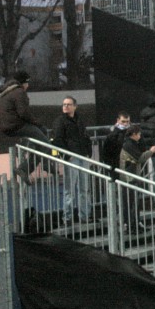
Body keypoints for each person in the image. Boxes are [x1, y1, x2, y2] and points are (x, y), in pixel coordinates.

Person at [0, 70, 49, 185]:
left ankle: (29, 167)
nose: (28, 86)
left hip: (7, 125)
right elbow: (24, 113)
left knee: (41, 134)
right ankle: (43, 164)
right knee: (45, 142)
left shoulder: (7, 92)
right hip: (15, 125)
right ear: (23, 82)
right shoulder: (19, 92)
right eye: (27, 83)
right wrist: (36, 123)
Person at [52, 96, 94, 225]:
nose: (65, 106)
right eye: (64, 104)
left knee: (84, 189)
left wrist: (88, 152)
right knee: (69, 190)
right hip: (72, 158)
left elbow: (85, 136)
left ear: (75, 106)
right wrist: (66, 156)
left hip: (82, 156)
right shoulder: (60, 121)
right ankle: (68, 218)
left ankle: (85, 216)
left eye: (69, 104)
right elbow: (58, 139)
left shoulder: (79, 120)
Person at [119, 125, 155, 229]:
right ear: (134, 134)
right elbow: (140, 157)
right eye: (139, 134)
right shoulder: (128, 145)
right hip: (129, 178)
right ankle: (130, 224)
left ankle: (135, 222)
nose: (140, 136)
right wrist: (151, 151)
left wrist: (141, 141)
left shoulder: (133, 143)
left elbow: (142, 149)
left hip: (133, 177)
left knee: (134, 202)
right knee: (130, 202)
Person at [101, 111, 131, 180]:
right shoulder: (112, 135)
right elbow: (106, 152)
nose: (125, 124)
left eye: (127, 122)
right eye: (123, 121)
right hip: (116, 164)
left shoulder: (132, 132)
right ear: (118, 120)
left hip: (129, 165)